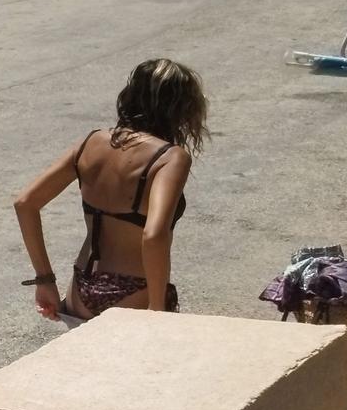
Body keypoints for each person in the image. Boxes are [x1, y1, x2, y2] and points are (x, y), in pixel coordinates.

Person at [13, 59, 207, 321]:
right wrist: (158, 309)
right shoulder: (170, 158)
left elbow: (25, 203)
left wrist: (44, 279)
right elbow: (153, 235)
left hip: (80, 290)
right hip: (135, 293)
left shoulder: (92, 141)